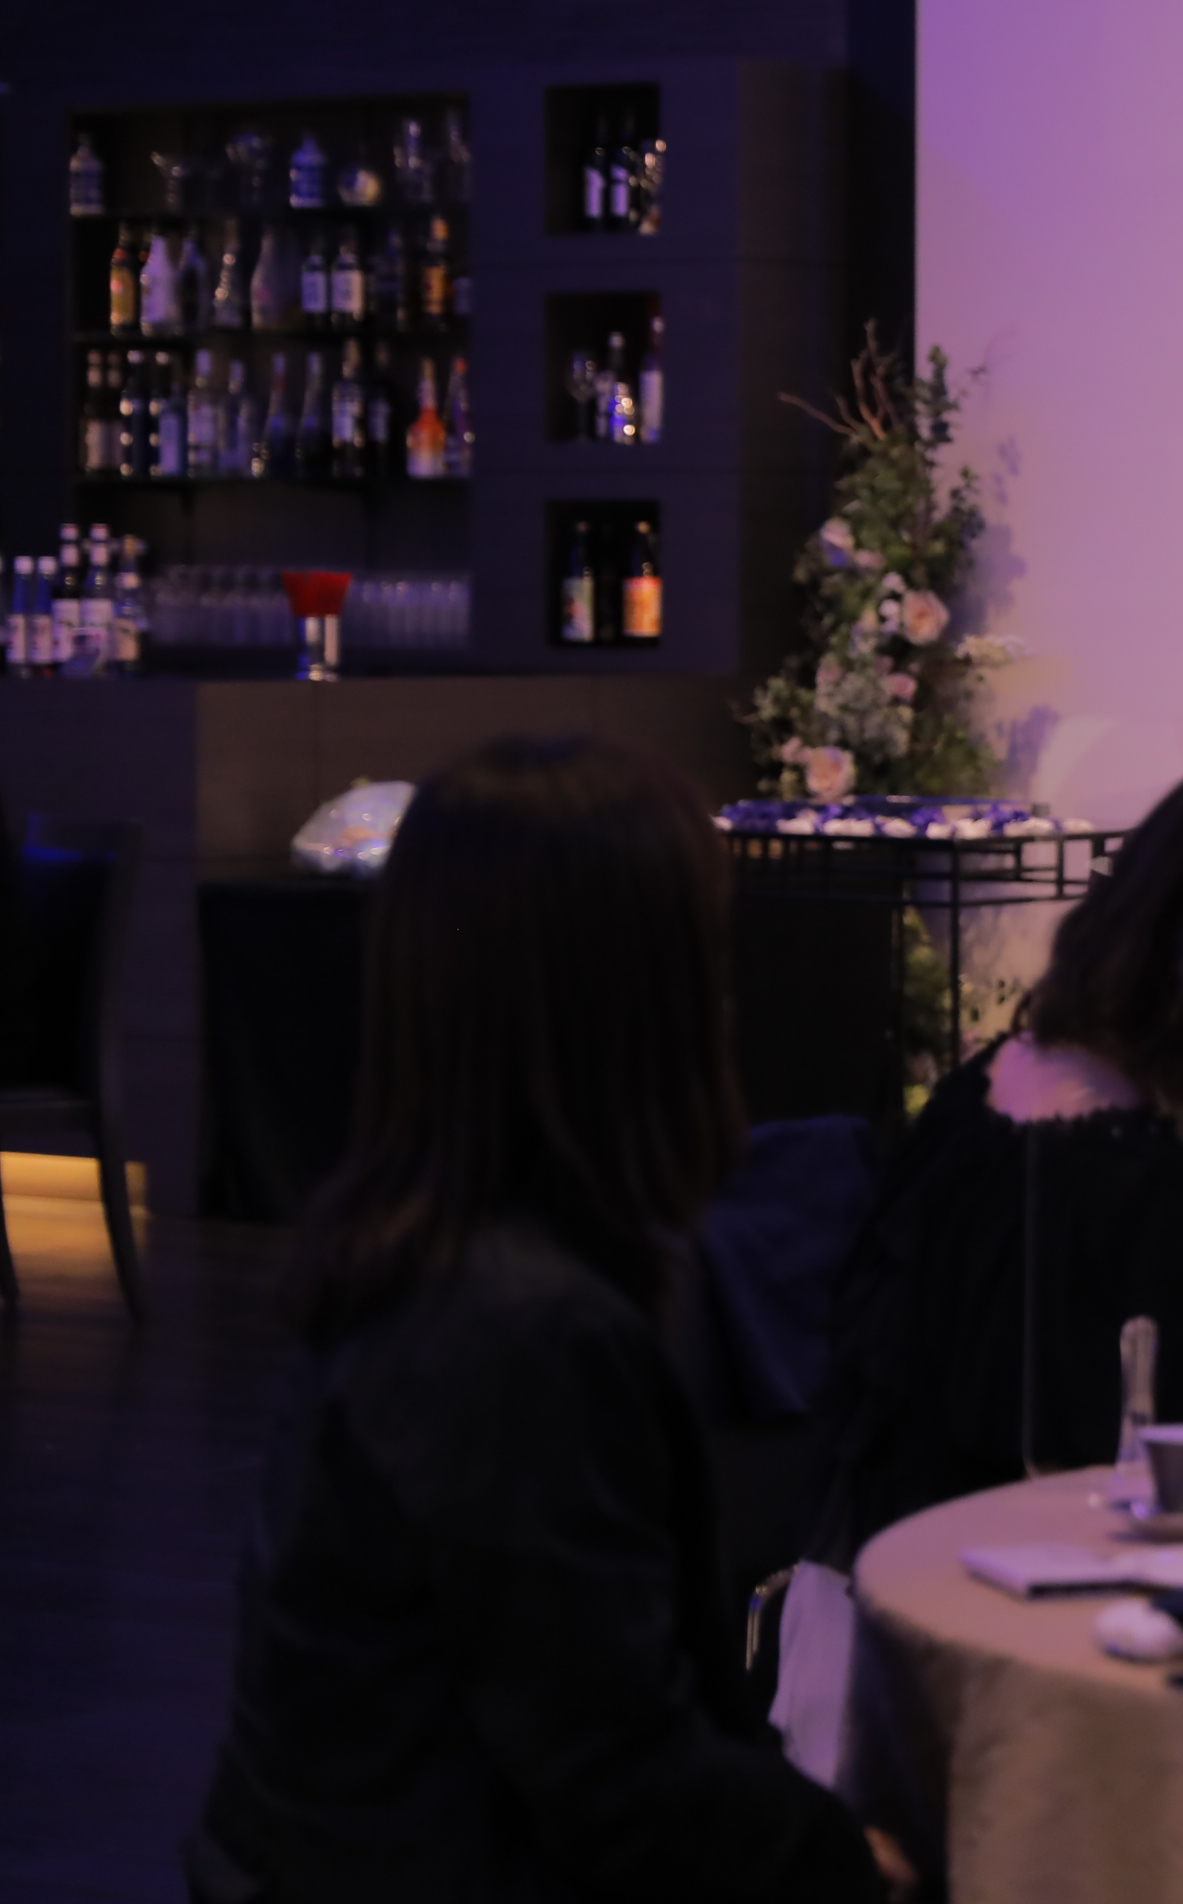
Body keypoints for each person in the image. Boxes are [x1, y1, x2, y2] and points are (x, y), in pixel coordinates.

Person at [189, 736, 894, 1903]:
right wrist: (845, 1857)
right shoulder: (523, 1330)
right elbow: (615, 1775)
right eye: (707, 956)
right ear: (641, 1001)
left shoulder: (413, 1249)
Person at [811, 754, 1183, 1557]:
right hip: (974, 1601)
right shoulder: (1147, 1189)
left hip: (858, 1572)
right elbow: (1127, 1490)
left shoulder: (971, 1095)